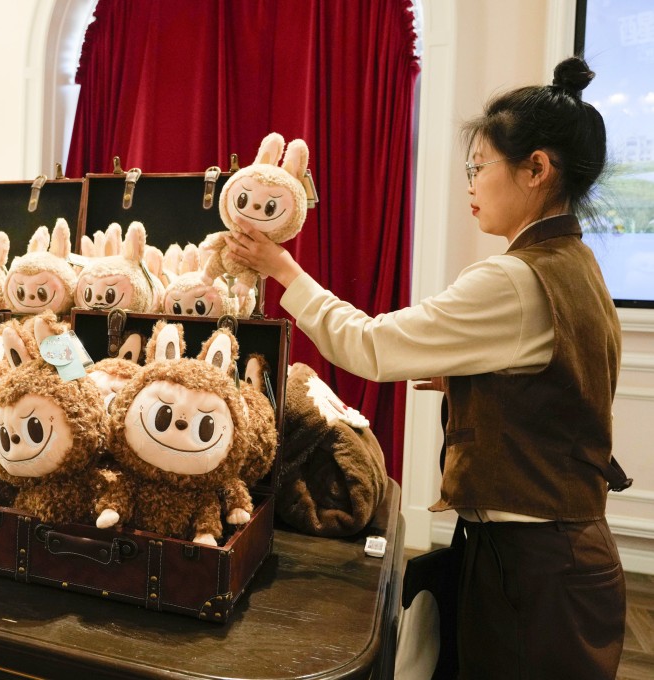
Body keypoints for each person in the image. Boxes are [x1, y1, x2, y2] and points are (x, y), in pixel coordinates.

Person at [226, 56, 625, 679]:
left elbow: (370, 345)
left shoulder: (515, 281)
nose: (470, 185)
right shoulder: (574, 263)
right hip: (557, 559)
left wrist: (281, 269)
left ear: (537, 169)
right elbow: (565, 383)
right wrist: (474, 382)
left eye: (478, 167)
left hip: (533, 572)